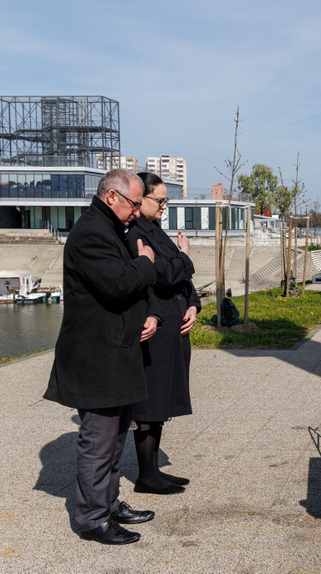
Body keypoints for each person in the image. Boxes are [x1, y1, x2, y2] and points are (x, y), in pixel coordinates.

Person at [43, 169, 161, 545]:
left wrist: (151, 314)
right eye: (133, 204)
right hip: (97, 357)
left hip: (115, 353)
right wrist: (146, 262)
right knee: (98, 440)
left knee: (114, 439)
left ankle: (108, 504)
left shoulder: (111, 228)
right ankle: (93, 519)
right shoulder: (91, 232)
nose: (137, 212)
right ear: (112, 197)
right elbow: (119, 282)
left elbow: (130, 285)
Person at [127, 172, 200, 494]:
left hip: (173, 325)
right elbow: (165, 275)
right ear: (140, 198)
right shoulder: (136, 234)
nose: (164, 206)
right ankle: (146, 476)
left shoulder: (155, 230)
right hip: (156, 328)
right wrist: (184, 255)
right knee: (150, 403)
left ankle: (153, 471)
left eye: (165, 201)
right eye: (159, 200)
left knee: (161, 403)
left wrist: (193, 304)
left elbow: (181, 279)